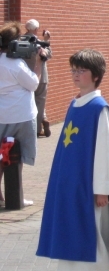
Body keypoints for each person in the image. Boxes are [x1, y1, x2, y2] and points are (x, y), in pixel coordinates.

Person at [37, 49, 109, 269]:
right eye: (73, 70)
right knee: (69, 229)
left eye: (81, 70)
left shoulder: (98, 108)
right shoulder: (74, 104)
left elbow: (105, 150)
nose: (75, 74)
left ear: (95, 75)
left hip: (87, 187)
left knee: (91, 234)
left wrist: (102, 188)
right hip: (69, 184)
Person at [0, 21, 43, 208]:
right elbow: (33, 84)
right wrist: (39, 63)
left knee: (1, 157)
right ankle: (16, 197)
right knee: (17, 157)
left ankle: (2, 196)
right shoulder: (15, 64)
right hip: (22, 116)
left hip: (2, 116)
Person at [23, 19, 52, 138]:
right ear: (36, 29)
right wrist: (46, 40)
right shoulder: (39, 43)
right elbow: (48, 55)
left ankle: (27, 126)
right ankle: (37, 128)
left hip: (25, 76)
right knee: (40, 102)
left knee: (27, 102)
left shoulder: (20, 41)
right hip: (41, 77)